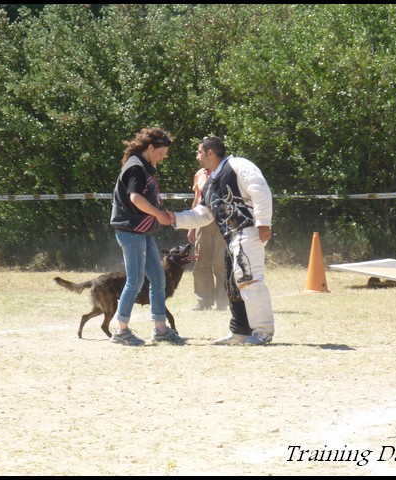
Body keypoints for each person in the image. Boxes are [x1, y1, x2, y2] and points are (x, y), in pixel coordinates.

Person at [167, 136, 275, 346]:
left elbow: (259, 189)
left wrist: (263, 223)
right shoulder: (209, 183)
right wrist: (175, 218)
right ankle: (240, 331)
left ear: (210, 152)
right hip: (231, 237)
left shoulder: (238, 165)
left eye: (199, 152)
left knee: (250, 280)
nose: (197, 157)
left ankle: (263, 330)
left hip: (248, 231)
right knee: (233, 285)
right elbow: (204, 214)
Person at [109, 127, 184, 346]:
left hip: (144, 232)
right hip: (131, 232)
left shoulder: (145, 167)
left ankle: (161, 329)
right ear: (150, 147)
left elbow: (146, 199)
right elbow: (135, 198)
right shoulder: (136, 167)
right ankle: (121, 331)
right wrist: (158, 214)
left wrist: (161, 212)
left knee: (159, 279)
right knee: (135, 280)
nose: (162, 158)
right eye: (160, 153)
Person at [187, 167, 228, 311]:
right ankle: (204, 300)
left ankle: (223, 301)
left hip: (222, 221)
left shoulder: (226, 171)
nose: (198, 157)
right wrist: (191, 226)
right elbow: (196, 199)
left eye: (200, 153)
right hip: (201, 221)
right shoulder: (199, 173)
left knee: (220, 263)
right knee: (201, 261)